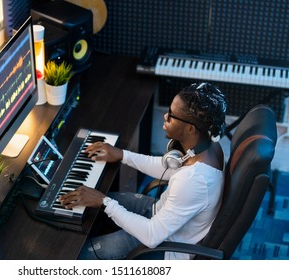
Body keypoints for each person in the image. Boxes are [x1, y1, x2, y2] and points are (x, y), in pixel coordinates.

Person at [59, 82, 227, 260]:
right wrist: (122, 155)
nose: (165, 116)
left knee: (79, 255)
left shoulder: (193, 181)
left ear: (190, 129)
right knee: (90, 206)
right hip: (160, 215)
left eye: (171, 115)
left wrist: (103, 201)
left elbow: (152, 236)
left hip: (163, 246)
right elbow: (170, 167)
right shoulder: (209, 147)